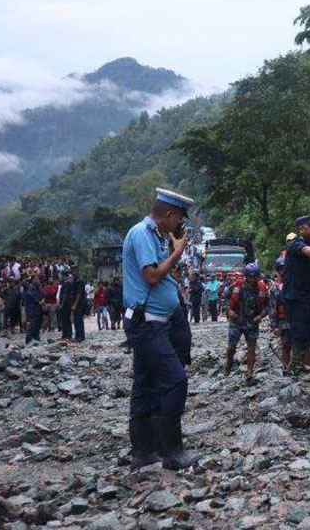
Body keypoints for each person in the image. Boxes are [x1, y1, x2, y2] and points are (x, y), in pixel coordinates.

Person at [122, 187, 198, 470]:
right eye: (179, 219)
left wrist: (172, 250)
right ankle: (172, 450)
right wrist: (177, 253)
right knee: (175, 380)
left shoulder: (153, 235)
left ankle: (143, 450)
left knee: (145, 383)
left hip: (155, 322)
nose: (180, 225)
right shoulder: (142, 233)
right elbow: (152, 276)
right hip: (147, 324)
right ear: (169, 214)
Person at [283, 215, 310, 375]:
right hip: (295, 297)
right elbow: (306, 251)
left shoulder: (309, 244)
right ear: (302, 229)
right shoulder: (295, 244)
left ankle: (298, 362)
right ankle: (294, 365)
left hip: (307, 295)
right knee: (299, 330)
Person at [224, 262, 267, 384]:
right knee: (231, 347)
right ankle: (229, 363)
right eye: (250, 277)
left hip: (252, 322)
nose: (253, 279)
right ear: (246, 276)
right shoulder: (236, 286)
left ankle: (249, 372)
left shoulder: (262, 289)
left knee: (252, 348)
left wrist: (261, 316)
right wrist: (229, 310)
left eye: (255, 277)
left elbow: (268, 305)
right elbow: (225, 298)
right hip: (236, 321)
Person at [268, 260, 291, 372]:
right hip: (283, 321)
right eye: (281, 269)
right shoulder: (274, 289)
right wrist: (274, 326)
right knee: (286, 345)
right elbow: (272, 309)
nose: (284, 271)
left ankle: (300, 367)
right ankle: (286, 368)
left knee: (301, 345)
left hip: (296, 319)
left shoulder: (294, 284)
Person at [23, 274, 43, 344]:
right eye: (36, 279)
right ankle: (28, 340)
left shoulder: (37, 288)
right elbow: (30, 296)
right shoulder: (31, 287)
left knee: (37, 325)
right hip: (33, 310)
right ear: (33, 280)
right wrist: (38, 301)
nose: (38, 281)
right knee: (32, 325)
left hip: (38, 310)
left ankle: (36, 338)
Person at [69, 265, 86, 342]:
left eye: (73, 270)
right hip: (74, 302)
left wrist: (75, 304)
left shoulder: (80, 281)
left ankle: (80, 336)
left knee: (78, 319)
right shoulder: (74, 280)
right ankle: (78, 335)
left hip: (78, 303)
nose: (72, 272)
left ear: (77, 270)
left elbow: (79, 294)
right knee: (76, 320)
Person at [59, 273, 73, 340]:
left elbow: (65, 294)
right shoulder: (66, 283)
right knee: (65, 320)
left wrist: (62, 304)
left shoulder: (67, 284)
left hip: (66, 304)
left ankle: (67, 335)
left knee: (66, 320)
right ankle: (65, 334)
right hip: (66, 304)